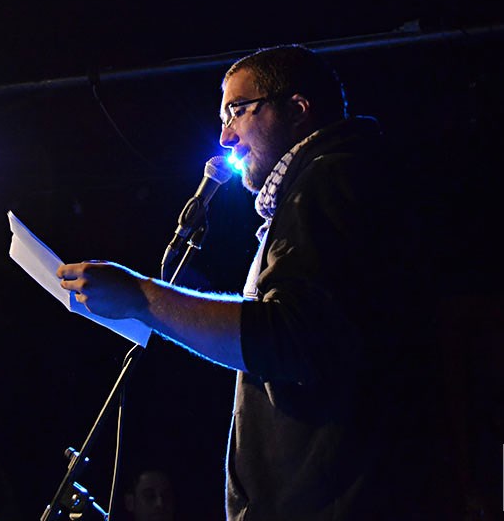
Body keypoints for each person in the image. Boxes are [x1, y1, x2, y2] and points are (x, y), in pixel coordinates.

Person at [58, 45, 447, 519]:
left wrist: (142, 298)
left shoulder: (330, 178)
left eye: (237, 111)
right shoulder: (324, 184)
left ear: (298, 109)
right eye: (223, 118)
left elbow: (288, 334)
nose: (225, 136)